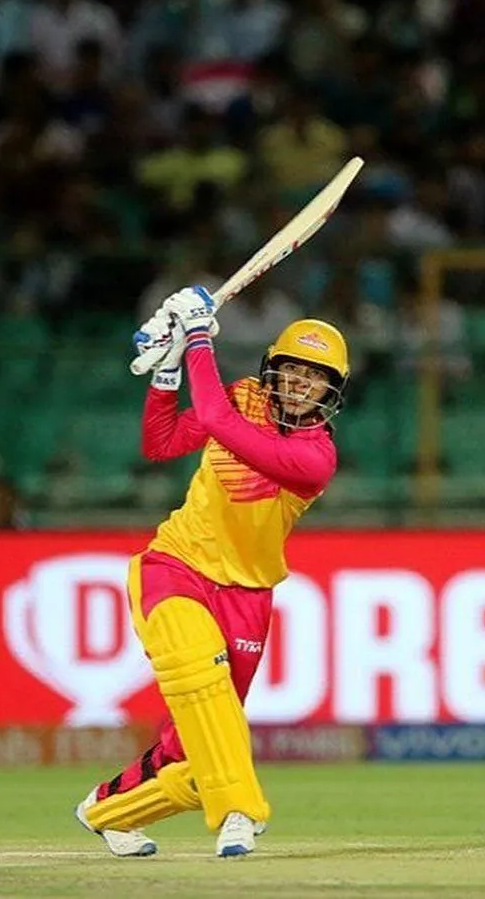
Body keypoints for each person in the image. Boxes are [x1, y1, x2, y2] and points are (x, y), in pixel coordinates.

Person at [74, 286, 349, 858]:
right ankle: (240, 812)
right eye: (292, 370)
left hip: (247, 594)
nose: (300, 384)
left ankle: (107, 810)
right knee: (202, 685)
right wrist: (168, 370)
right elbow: (162, 441)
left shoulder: (314, 459)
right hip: (173, 565)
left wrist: (196, 337)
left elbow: (220, 423)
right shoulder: (245, 394)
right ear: (271, 371)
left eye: (314, 377)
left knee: (194, 746)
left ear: (330, 392)